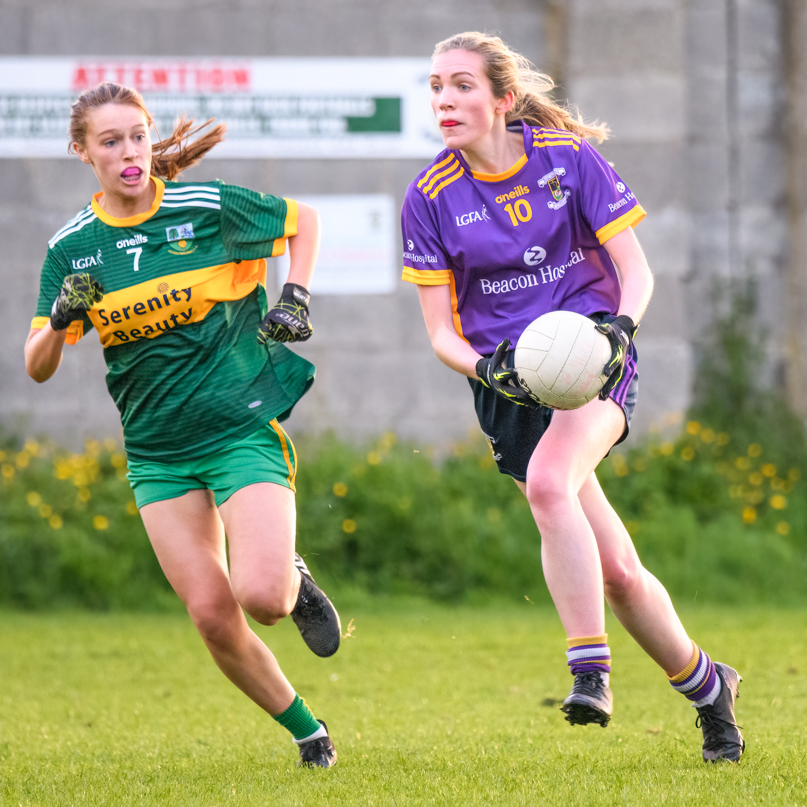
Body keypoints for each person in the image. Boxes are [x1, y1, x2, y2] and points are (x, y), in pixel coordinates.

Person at [401, 32, 745, 763]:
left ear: (499, 98)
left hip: (590, 353)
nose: (443, 100)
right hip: (508, 379)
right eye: (434, 86)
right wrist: (486, 369)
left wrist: (619, 330)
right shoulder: (428, 197)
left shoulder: (567, 160)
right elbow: (440, 333)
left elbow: (636, 271)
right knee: (617, 572)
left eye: (460, 85)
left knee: (550, 484)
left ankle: (589, 670)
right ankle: (710, 687)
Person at [24, 82, 340, 769]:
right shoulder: (73, 248)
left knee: (261, 597)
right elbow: (37, 365)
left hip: (238, 427)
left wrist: (296, 294)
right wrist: (57, 321)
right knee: (210, 615)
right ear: (84, 153)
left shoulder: (207, 208)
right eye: (110, 141)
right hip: (157, 453)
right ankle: (308, 732)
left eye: (138, 134)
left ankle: (289, 572)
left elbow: (303, 221)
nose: (129, 150)